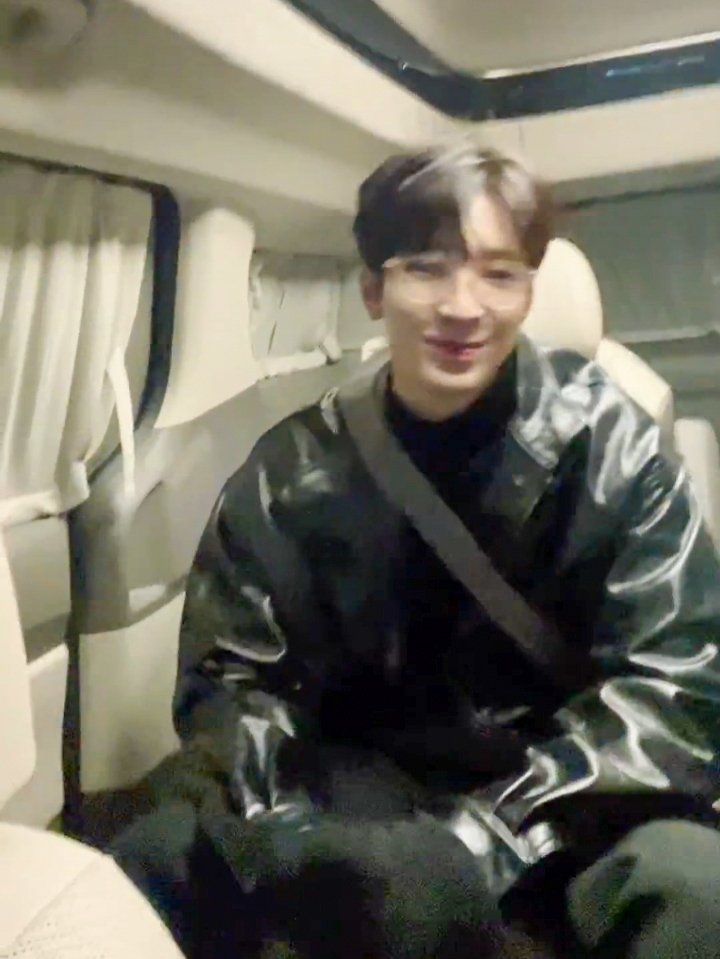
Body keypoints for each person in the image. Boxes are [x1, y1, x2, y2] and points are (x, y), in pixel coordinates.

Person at [113, 145, 720, 959]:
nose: (463, 306)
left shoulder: (618, 451)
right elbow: (234, 682)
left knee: (699, 890)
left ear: (528, 291)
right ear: (374, 289)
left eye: (498, 274)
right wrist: (280, 832)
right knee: (161, 849)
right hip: (370, 788)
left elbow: (676, 688)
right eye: (427, 269)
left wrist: (490, 833)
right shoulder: (291, 470)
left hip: (577, 797)